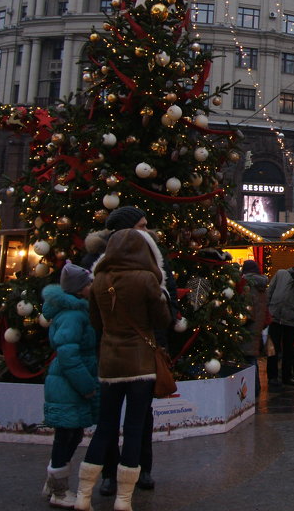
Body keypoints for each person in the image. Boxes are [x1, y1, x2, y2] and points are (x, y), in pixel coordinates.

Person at [74, 227, 171, 511]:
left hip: (109, 362)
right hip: (140, 363)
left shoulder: (99, 279)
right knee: (134, 427)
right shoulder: (146, 279)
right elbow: (162, 319)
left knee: (104, 427)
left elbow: (95, 322)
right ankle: (124, 498)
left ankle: (83, 493)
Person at [97, 206, 170, 497]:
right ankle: (112, 474)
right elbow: (163, 314)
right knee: (123, 418)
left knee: (134, 417)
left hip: (133, 353)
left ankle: (142, 469)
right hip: (125, 354)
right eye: (141, 226)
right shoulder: (101, 264)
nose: (147, 231)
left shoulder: (155, 262)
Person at [41, 263, 99, 509]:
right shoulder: (74, 316)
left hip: (69, 382)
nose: (92, 286)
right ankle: (59, 490)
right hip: (69, 384)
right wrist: (87, 385)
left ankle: (53, 480)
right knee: (66, 435)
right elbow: (68, 354)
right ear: (79, 290)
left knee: (70, 434)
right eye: (89, 284)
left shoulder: (75, 311)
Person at [266, 255, 294, 387]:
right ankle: (272, 376)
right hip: (275, 317)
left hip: (291, 319)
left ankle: (287, 376)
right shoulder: (281, 273)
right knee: (273, 348)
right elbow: (270, 290)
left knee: (289, 350)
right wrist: (267, 309)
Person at [240, 260, 269, 395]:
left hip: (248, 326)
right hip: (258, 325)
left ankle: (253, 389)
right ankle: (256, 388)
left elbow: (247, 309)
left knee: (248, 358)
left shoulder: (247, 285)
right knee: (252, 357)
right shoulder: (262, 286)